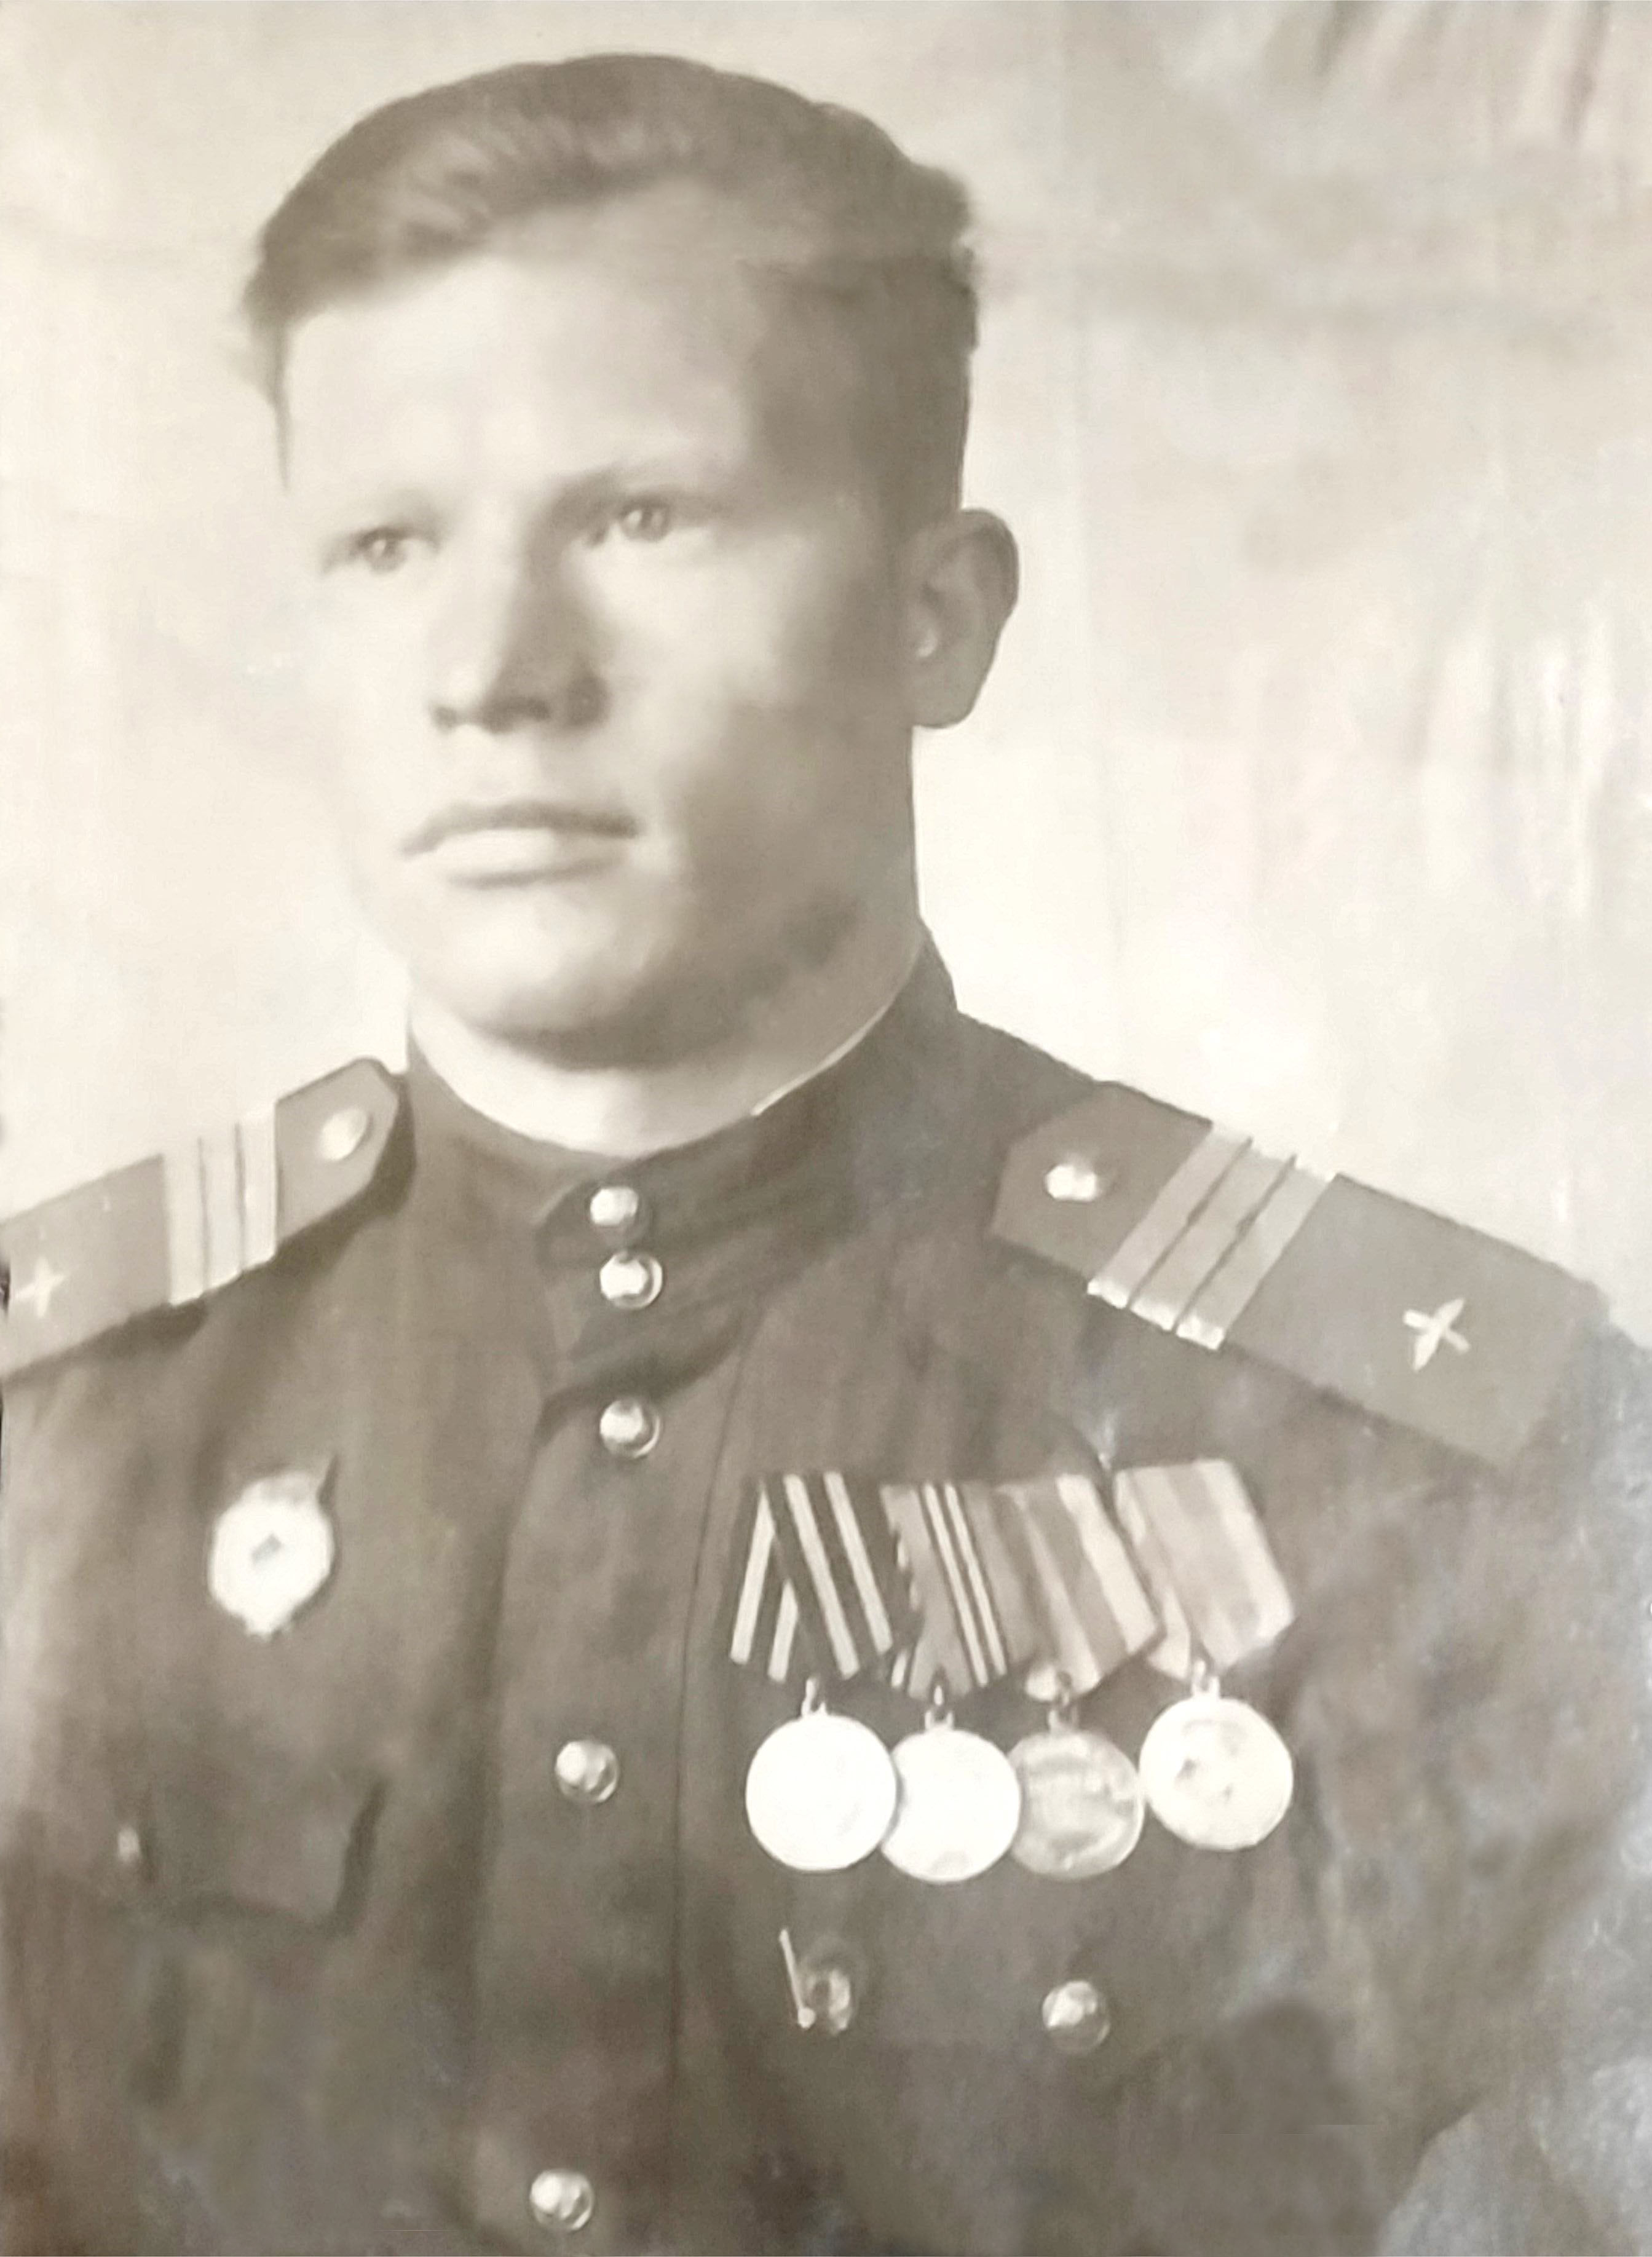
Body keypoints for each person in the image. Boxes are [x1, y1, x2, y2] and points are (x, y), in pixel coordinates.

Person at [1, 52, 1648, 2257]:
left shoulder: (1434, 1474)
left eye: (640, 516)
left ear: (934, 616)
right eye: (387, 544)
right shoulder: (64, 1433)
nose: (491, 669)